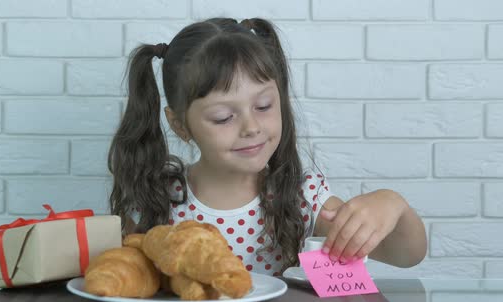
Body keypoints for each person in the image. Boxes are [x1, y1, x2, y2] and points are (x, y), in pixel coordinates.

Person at [108, 17, 427, 276]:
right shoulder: (157, 199)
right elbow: (127, 279)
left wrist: (393, 204)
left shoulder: (300, 196)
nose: (251, 127)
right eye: (223, 117)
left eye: (263, 106)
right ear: (180, 125)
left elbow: (405, 256)